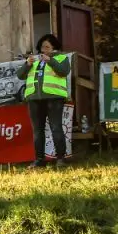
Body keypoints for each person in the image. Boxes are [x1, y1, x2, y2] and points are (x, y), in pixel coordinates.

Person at [17, 33, 72, 167]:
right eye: (42, 47)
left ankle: (60, 159)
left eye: (47, 47)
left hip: (54, 98)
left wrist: (50, 61)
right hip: (34, 99)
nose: (44, 49)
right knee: (37, 131)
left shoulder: (61, 58)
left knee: (56, 127)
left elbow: (64, 71)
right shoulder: (34, 60)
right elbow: (20, 75)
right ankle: (39, 160)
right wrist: (27, 64)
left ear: (54, 48)